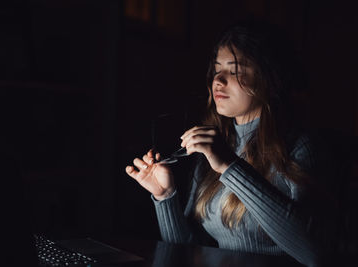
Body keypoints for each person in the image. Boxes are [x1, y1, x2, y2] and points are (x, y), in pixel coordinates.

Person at [125, 20, 335, 267]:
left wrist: (229, 166)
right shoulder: (218, 145)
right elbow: (189, 254)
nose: (218, 81)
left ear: (269, 78)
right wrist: (165, 197)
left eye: (235, 71)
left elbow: (314, 253)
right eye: (217, 70)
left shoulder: (300, 147)